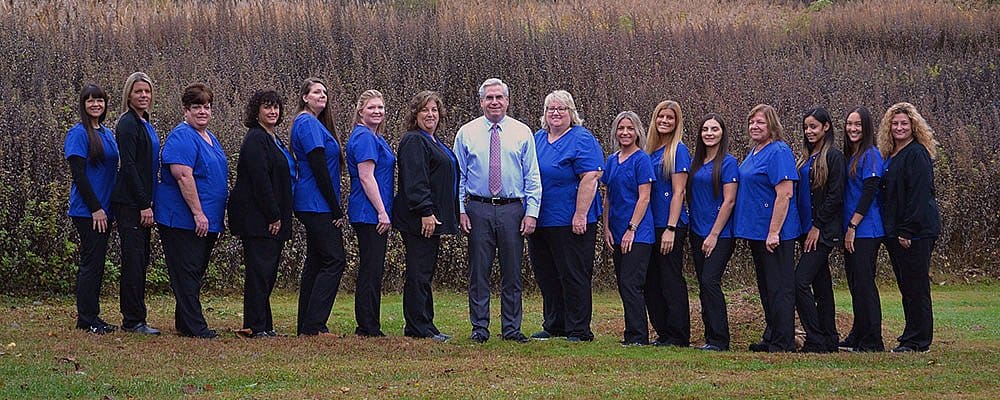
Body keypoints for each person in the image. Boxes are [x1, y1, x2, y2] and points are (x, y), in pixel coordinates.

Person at [454, 78, 541, 343]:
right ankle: (479, 327)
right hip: (478, 207)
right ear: (481, 102)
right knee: (478, 271)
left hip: (512, 209)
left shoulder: (522, 132)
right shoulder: (466, 133)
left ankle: (511, 329)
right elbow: (458, 176)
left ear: (507, 101)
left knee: (512, 272)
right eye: (489, 98)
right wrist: (461, 210)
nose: (494, 102)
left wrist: (532, 212)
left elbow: (532, 176)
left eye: (499, 97)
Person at [527, 90, 604, 342]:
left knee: (573, 273)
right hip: (541, 219)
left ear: (572, 113)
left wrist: (580, 214)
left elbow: (591, 177)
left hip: (572, 221)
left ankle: (579, 328)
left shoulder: (582, 139)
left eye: (561, 109)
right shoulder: (537, 138)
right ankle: (554, 323)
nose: (556, 113)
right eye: (551, 109)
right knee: (546, 274)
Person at [154, 83, 228, 339]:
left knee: (195, 270)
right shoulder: (182, 136)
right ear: (185, 110)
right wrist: (198, 212)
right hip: (182, 219)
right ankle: (196, 326)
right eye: (196, 107)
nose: (202, 112)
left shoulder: (210, 137)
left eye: (206, 107)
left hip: (207, 220)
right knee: (186, 271)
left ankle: (184, 322)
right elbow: (183, 176)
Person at [227, 90, 293, 338]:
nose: (273, 112)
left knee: (268, 272)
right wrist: (273, 215)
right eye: (267, 107)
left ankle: (264, 324)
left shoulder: (273, 138)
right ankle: (254, 325)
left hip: (271, 218)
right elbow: (260, 180)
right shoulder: (255, 139)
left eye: (276, 107)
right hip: (259, 219)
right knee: (259, 272)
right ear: (257, 111)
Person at [393, 90, 458, 343]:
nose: (430, 115)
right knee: (418, 273)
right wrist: (426, 211)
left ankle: (427, 324)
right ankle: (417, 327)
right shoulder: (414, 141)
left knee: (425, 272)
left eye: (434, 110)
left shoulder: (434, 140)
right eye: (424, 110)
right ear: (415, 115)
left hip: (434, 218)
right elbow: (415, 181)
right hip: (419, 219)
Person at [734, 104, 800, 353]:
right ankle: (771, 334)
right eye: (751, 122)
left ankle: (784, 341)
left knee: (780, 286)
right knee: (766, 286)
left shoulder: (779, 151)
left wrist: (774, 232)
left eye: (760, 122)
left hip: (775, 233)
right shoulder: (753, 152)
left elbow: (784, 194)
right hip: (757, 232)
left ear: (772, 124)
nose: (754, 126)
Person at [877, 102, 940, 353]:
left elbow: (919, 195)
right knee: (906, 287)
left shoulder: (917, 153)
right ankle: (909, 334)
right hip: (896, 231)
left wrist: (907, 230)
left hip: (916, 231)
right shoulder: (891, 154)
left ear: (914, 126)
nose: (899, 127)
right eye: (895, 124)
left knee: (917, 287)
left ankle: (919, 340)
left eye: (904, 123)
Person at [290, 78, 347, 336]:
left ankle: (306, 324)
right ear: (304, 97)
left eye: (324, 92)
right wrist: (335, 207)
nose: (322, 96)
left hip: (316, 201)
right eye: (316, 92)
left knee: (315, 260)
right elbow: (318, 165)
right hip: (315, 202)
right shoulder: (307, 123)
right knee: (335, 259)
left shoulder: (316, 123)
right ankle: (314, 324)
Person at [65, 84, 120, 334]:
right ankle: (87, 319)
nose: (95, 105)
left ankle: (92, 316)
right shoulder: (78, 134)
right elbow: (78, 174)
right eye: (90, 101)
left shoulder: (107, 133)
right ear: (83, 104)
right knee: (92, 262)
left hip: (106, 210)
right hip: (88, 211)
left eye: (99, 100)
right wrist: (96, 208)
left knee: (97, 262)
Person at [111, 72, 161, 335]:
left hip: (145, 200)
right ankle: (132, 319)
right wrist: (143, 203)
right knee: (132, 260)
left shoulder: (145, 122)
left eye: (147, 91)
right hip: (131, 203)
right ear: (129, 94)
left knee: (141, 260)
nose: (144, 95)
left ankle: (138, 315)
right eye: (138, 91)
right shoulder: (127, 124)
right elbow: (129, 167)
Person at [793, 107, 846, 353]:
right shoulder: (805, 157)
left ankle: (815, 338)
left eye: (813, 126)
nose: (809, 131)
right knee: (822, 285)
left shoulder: (833, 157)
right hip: (805, 229)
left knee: (799, 281)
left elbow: (835, 196)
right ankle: (829, 337)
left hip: (822, 231)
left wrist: (817, 226)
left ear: (826, 127)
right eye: (806, 127)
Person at [601, 111, 655, 346]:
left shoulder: (641, 159)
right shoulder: (612, 160)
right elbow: (608, 197)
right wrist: (606, 228)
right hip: (616, 231)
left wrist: (631, 228)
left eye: (630, 129)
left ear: (637, 133)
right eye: (621, 128)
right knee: (623, 283)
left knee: (631, 283)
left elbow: (644, 198)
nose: (625, 132)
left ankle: (638, 335)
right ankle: (631, 333)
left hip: (638, 233)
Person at [686, 113, 738, 351]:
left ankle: (720, 339)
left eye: (714, 129)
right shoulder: (695, 163)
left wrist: (714, 234)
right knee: (702, 283)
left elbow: (729, 201)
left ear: (722, 133)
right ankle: (709, 337)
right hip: (696, 231)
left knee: (710, 281)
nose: (709, 133)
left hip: (720, 234)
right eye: (705, 129)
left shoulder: (728, 163)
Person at [346, 89, 395, 337]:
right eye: (371, 108)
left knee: (373, 268)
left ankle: (369, 323)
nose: (377, 111)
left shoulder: (376, 136)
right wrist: (381, 211)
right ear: (360, 111)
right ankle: (367, 326)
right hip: (369, 212)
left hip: (372, 211)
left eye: (380, 107)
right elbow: (366, 177)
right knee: (371, 268)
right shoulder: (364, 137)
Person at [643, 100, 692, 347]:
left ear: (677, 122)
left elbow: (679, 192)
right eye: (660, 116)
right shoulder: (649, 151)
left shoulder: (678, 151)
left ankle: (678, 334)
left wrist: (671, 228)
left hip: (669, 224)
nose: (664, 121)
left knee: (670, 279)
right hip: (649, 225)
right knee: (651, 279)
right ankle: (662, 331)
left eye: (670, 118)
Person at [839, 106, 886, 352]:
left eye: (857, 124)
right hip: (851, 228)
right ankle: (858, 334)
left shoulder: (871, 154)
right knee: (855, 283)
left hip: (865, 229)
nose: (852, 129)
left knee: (865, 283)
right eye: (849, 124)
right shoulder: (851, 155)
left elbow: (869, 193)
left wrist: (853, 225)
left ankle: (873, 340)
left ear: (866, 127)